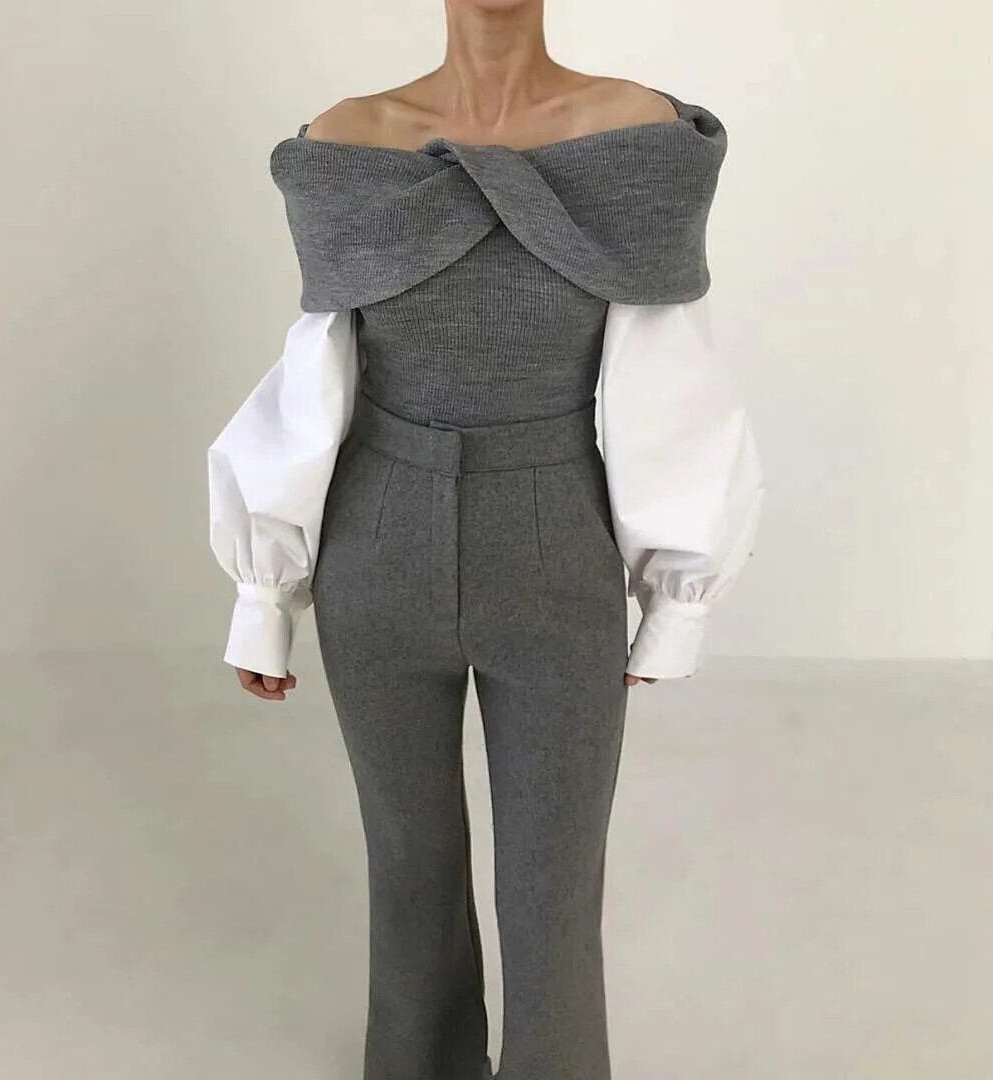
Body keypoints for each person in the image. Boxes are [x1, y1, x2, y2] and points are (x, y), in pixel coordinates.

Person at [207, 2, 764, 1076]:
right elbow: (316, 377)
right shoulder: (348, 141)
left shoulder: (635, 142)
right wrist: (263, 594)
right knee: (407, 860)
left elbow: (668, 376)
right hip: (377, 546)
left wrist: (677, 597)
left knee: (554, 878)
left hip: (554, 538)